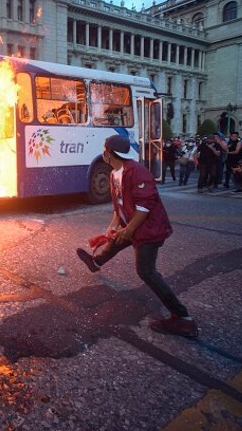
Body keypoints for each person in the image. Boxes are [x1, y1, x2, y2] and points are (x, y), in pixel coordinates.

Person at [75, 134, 198, 338]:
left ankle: (183, 319)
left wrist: (128, 230)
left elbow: (143, 208)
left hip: (149, 229)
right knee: (115, 241)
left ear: (108, 153)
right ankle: (96, 263)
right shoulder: (115, 173)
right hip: (134, 225)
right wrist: (113, 227)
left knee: (146, 272)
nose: (103, 153)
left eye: (104, 150)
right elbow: (120, 207)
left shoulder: (137, 172)